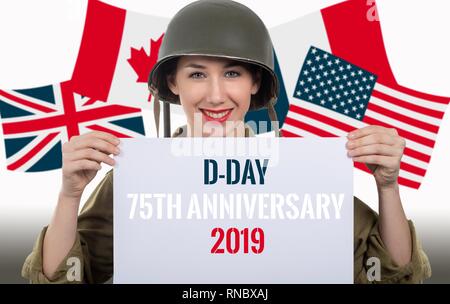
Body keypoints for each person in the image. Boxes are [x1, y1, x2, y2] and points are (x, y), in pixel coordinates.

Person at [22, 0, 430, 284]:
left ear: (255, 83)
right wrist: (69, 195)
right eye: (197, 74)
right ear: (172, 82)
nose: (216, 95)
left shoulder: (298, 172)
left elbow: (389, 272)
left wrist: (388, 187)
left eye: (233, 73)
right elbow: (65, 276)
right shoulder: (140, 177)